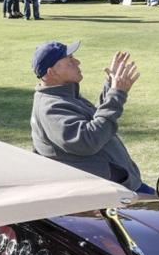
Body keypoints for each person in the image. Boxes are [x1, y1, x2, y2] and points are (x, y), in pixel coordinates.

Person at [30, 41, 152, 194]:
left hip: (116, 186)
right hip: (105, 194)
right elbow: (89, 140)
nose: (77, 62)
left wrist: (111, 85)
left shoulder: (63, 95)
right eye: (70, 60)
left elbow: (94, 119)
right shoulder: (51, 109)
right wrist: (117, 95)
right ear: (52, 72)